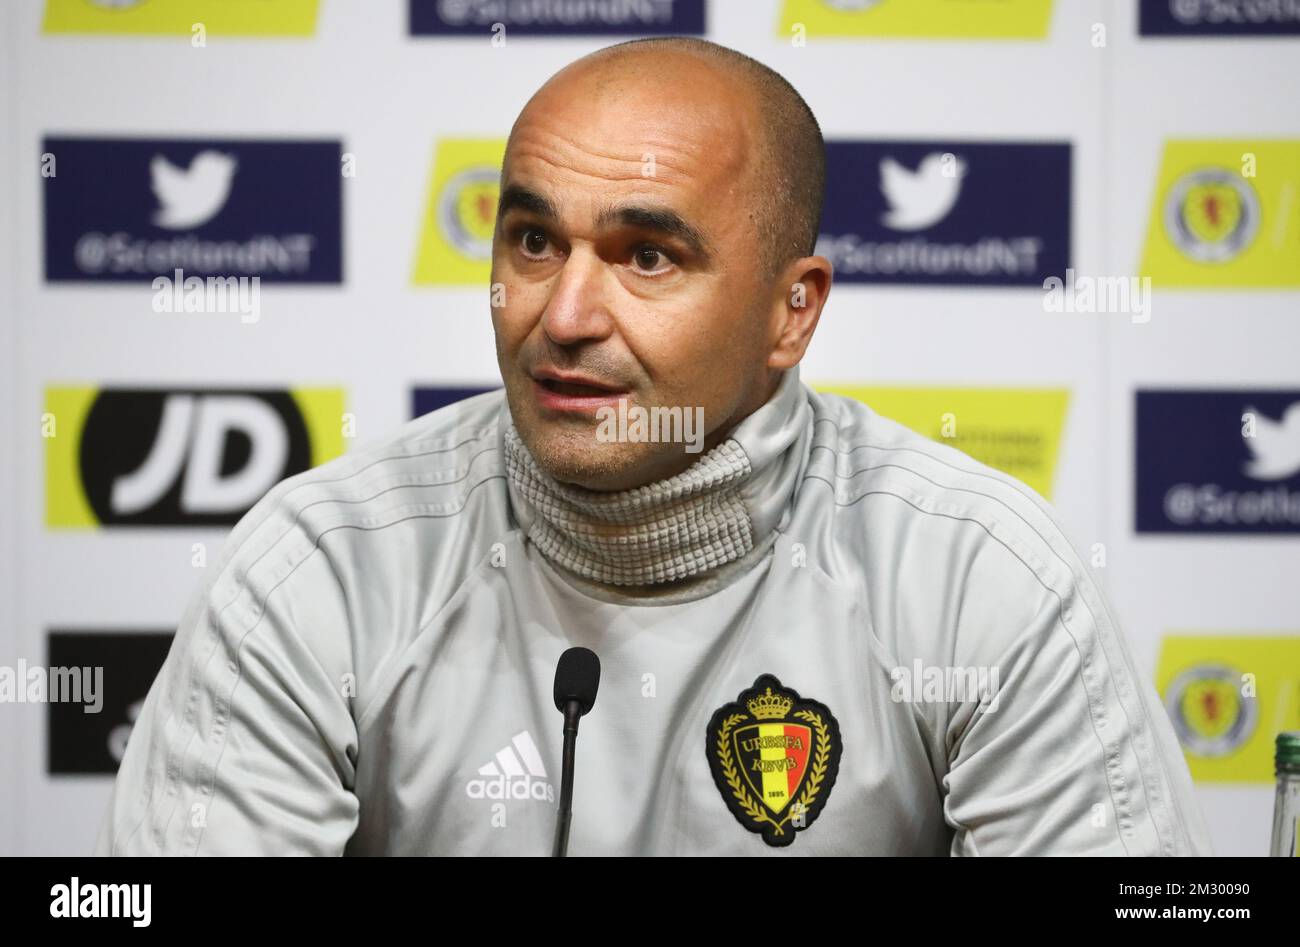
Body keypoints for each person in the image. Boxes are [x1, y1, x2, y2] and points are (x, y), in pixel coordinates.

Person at [95, 37, 1211, 856]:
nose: (564, 313)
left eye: (646, 258)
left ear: (793, 310)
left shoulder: (976, 576)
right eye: (534, 240)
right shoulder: (322, 568)